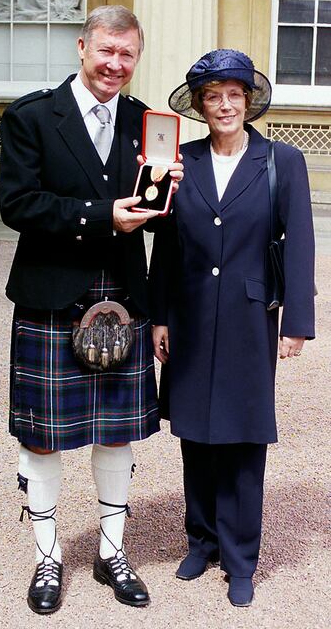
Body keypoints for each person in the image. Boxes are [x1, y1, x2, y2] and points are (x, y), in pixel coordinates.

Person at [0, 4, 182, 615]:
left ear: (137, 54)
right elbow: (18, 204)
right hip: (53, 299)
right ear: (82, 46)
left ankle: (111, 551)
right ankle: (48, 555)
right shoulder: (31, 116)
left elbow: (160, 215)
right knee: (44, 439)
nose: (115, 64)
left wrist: (171, 195)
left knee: (115, 435)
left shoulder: (147, 121)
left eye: (127, 54)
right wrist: (102, 216)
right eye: (106, 50)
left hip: (123, 299)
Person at [149, 49, 315, 607]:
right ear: (200, 104)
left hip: (250, 318)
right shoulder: (180, 160)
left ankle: (241, 558)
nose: (224, 104)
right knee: (194, 430)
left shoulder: (281, 161)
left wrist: (297, 321)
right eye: (212, 95)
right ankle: (202, 541)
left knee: (243, 437)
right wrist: (160, 317)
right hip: (191, 317)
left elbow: (301, 245)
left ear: (248, 102)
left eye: (233, 94)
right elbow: (165, 249)